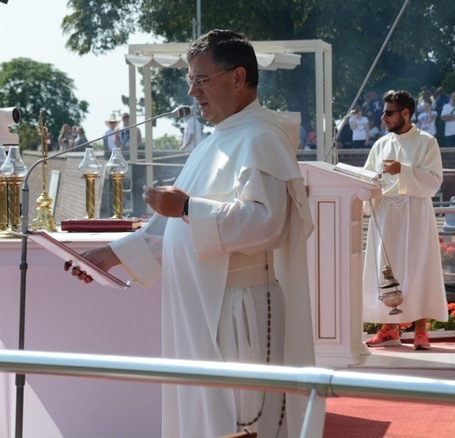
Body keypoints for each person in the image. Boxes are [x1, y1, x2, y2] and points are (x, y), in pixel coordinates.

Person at [70, 29, 321, 437]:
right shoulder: (214, 141)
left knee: (242, 418)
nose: (192, 91)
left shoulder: (261, 136)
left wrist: (187, 207)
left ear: (238, 77)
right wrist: (111, 255)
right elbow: (171, 231)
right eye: (190, 80)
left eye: (201, 79)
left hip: (240, 307)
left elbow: (267, 222)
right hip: (202, 305)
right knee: (206, 416)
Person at [362, 90, 448, 350]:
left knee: (418, 267)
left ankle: (421, 330)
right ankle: (389, 328)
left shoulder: (427, 142)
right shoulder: (381, 144)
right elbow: (368, 177)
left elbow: (433, 181)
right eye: (384, 111)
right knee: (386, 269)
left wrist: (404, 171)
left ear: (406, 113)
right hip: (388, 216)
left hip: (415, 215)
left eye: (389, 112)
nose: (383, 117)